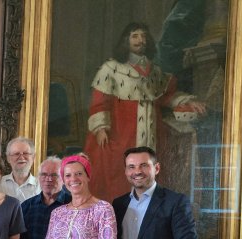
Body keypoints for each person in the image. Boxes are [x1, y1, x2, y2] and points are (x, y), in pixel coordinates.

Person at [83, 22, 206, 200]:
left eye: (143, 36)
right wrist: (101, 128)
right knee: (118, 173)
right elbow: (100, 102)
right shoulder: (110, 69)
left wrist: (189, 102)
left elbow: (166, 96)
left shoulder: (154, 71)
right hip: (121, 132)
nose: (141, 40)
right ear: (126, 40)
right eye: (135, 36)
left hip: (152, 134)